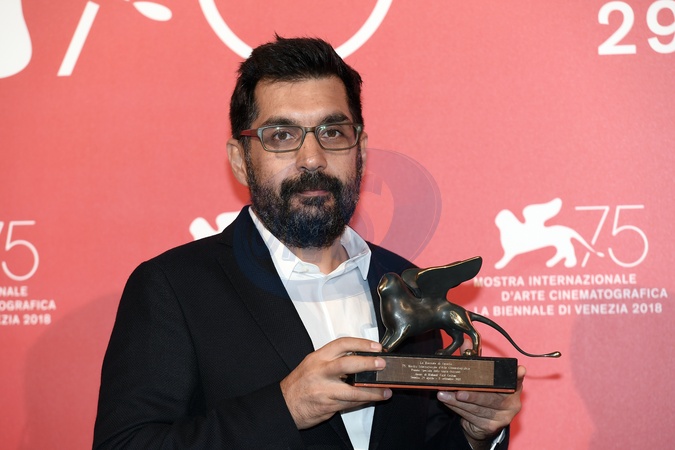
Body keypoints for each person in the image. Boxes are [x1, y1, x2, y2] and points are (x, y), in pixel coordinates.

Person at [93, 36, 524, 450]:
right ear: (241, 160)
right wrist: (286, 408)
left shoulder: (403, 283)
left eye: (332, 132)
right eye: (282, 135)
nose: (313, 158)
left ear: (360, 150)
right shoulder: (173, 287)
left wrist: (475, 435)